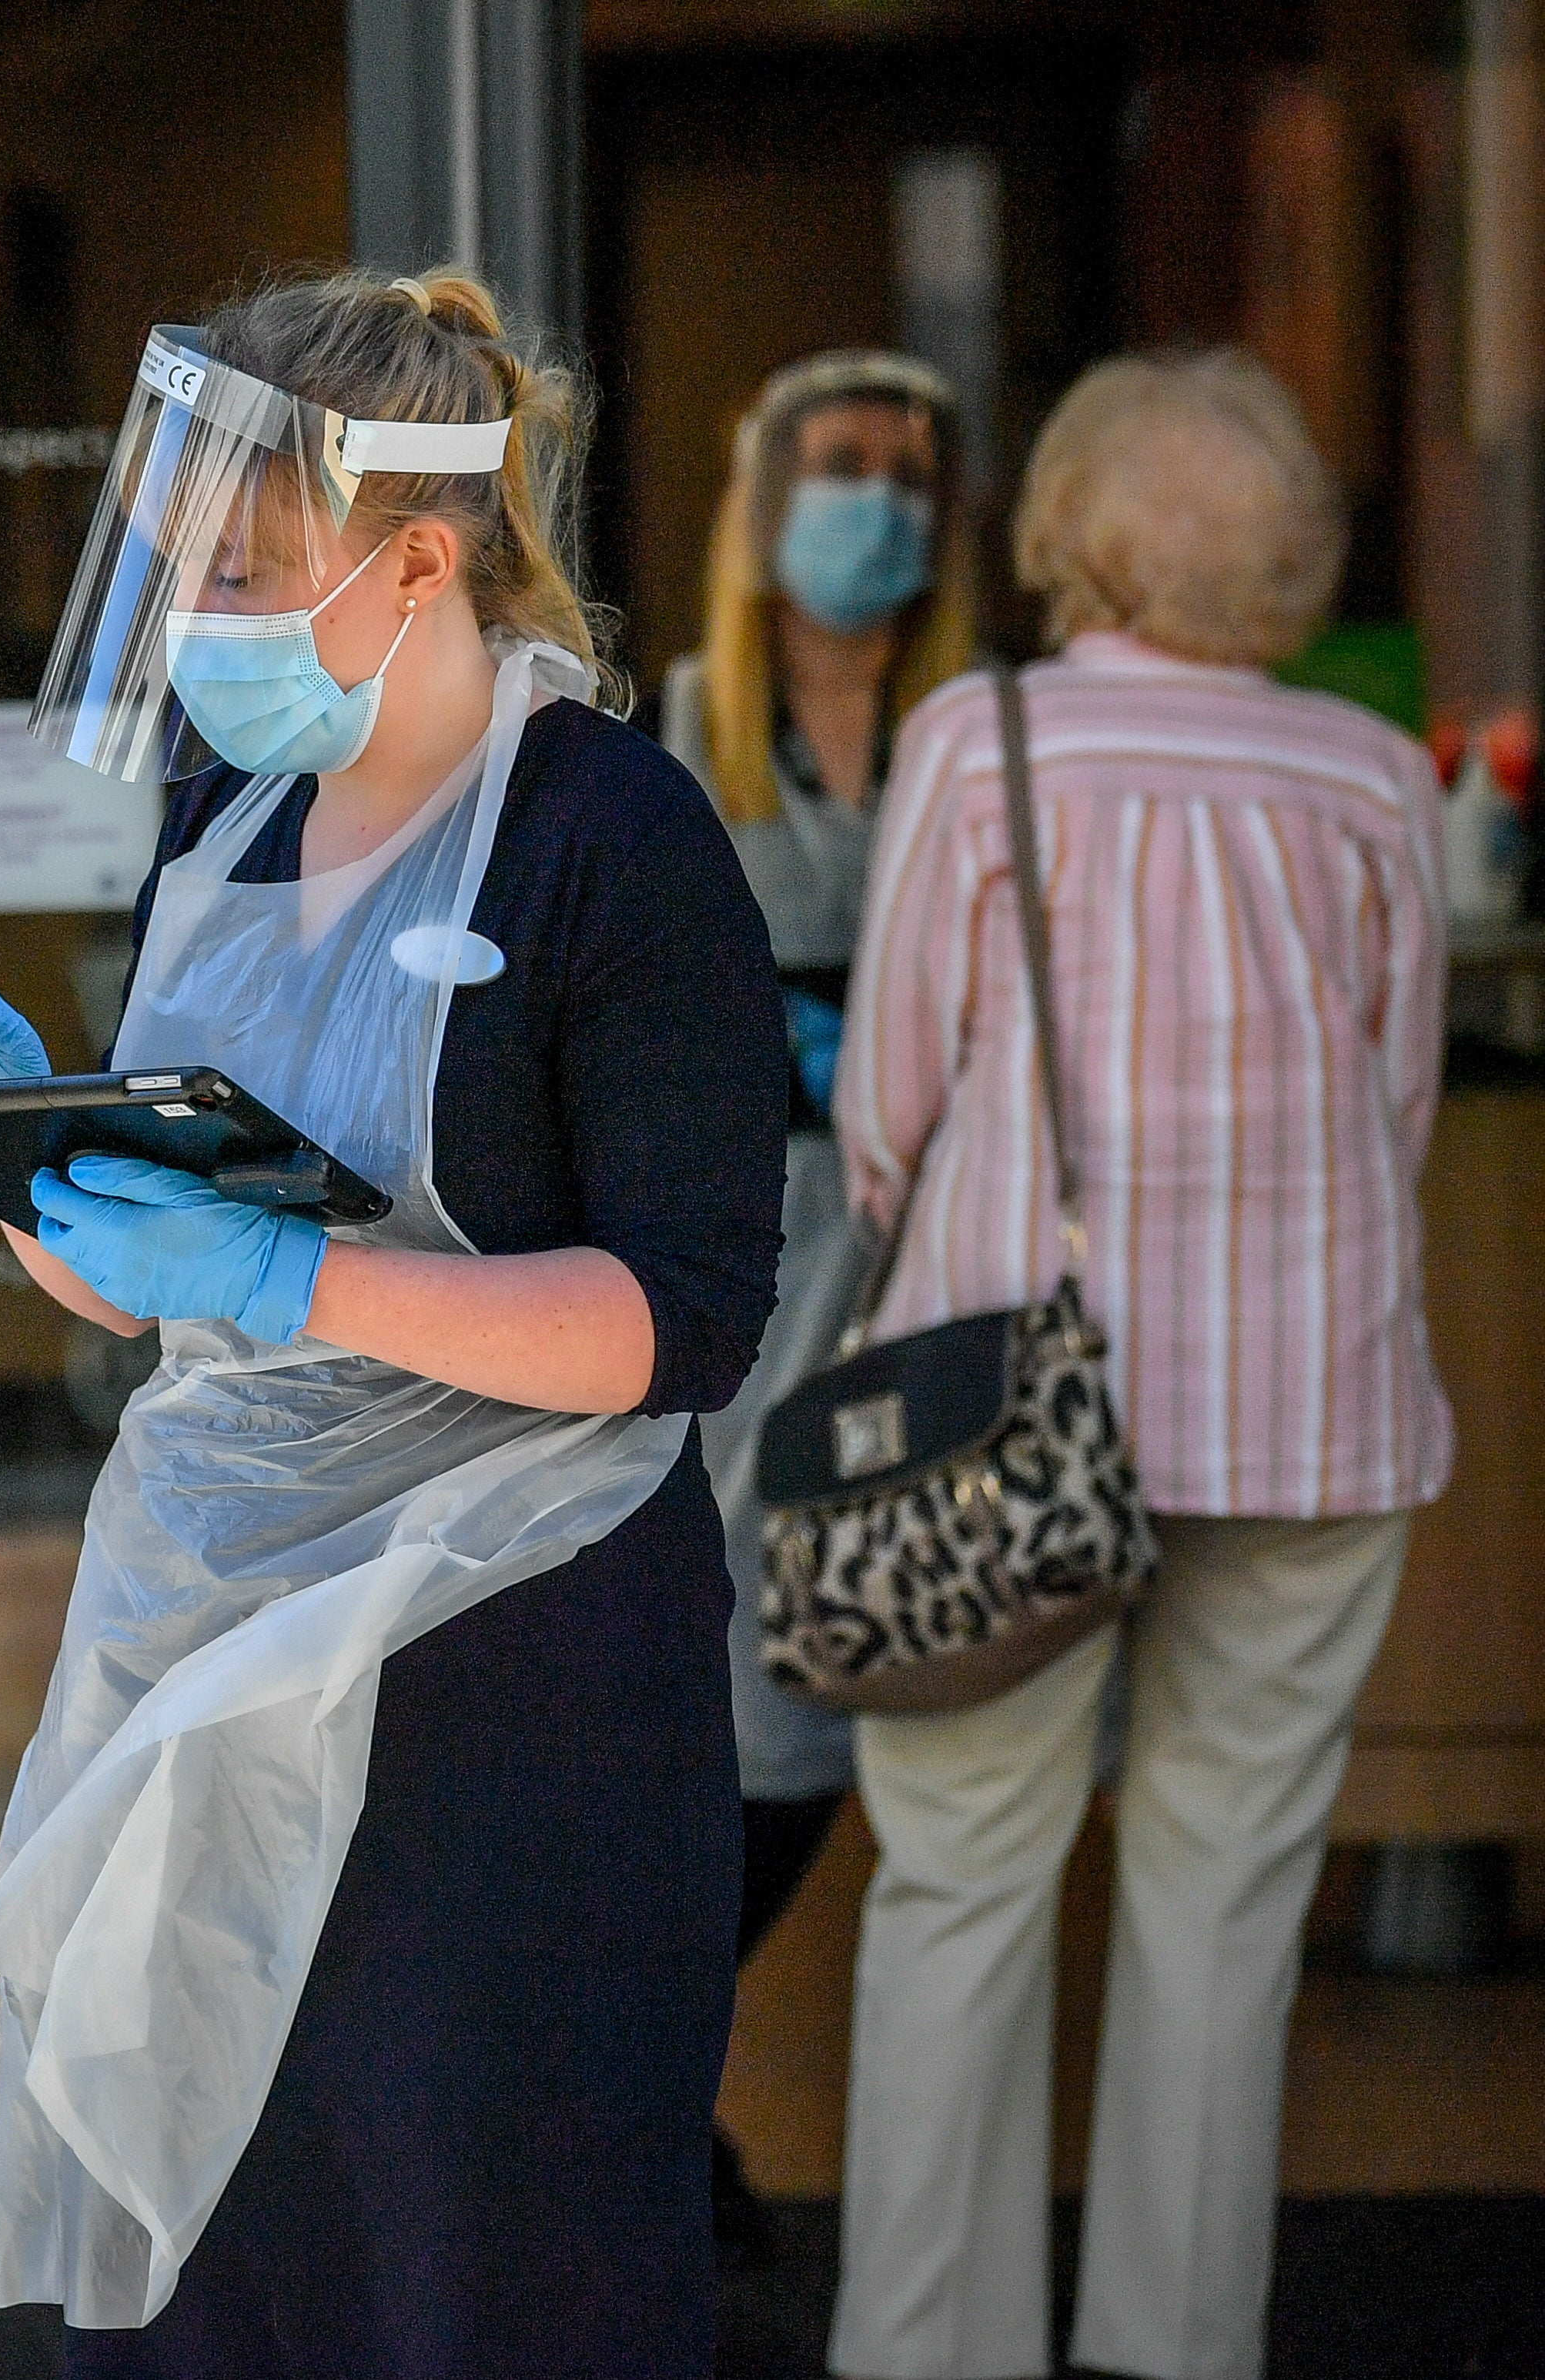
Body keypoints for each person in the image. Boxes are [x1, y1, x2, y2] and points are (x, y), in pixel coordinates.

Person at [0, 269, 784, 2370]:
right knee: (230, 2264)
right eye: (180, 578)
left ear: (417, 557)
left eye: (245, 575)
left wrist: (295, 1273)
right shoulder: (230, 815)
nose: (204, 628)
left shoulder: (611, 845)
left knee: (473, 2259)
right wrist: (27, 1150)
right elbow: (146, 1273)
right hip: (204, 1640)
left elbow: (674, 1319)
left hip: (508, 1685)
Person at [828, 350, 1449, 2380]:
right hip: (1309, 1400)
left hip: (1001, 1396)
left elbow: (889, 1099)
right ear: (1284, 559)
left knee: (956, 1887)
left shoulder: (970, 738)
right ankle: (1173, 2354)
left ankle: (929, 2358)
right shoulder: (1368, 776)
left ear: (1062, 533)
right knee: (1221, 1908)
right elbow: (1396, 1092)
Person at [656, 348, 975, 2261]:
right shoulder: (681, 725)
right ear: (765, 495)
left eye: (913, 476)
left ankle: (650, 2093)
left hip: (937, 1265)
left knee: (882, 1703)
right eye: (844, 465)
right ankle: (645, 2096)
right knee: (733, 1713)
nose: (880, 504)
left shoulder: (977, 736)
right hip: (745, 1279)